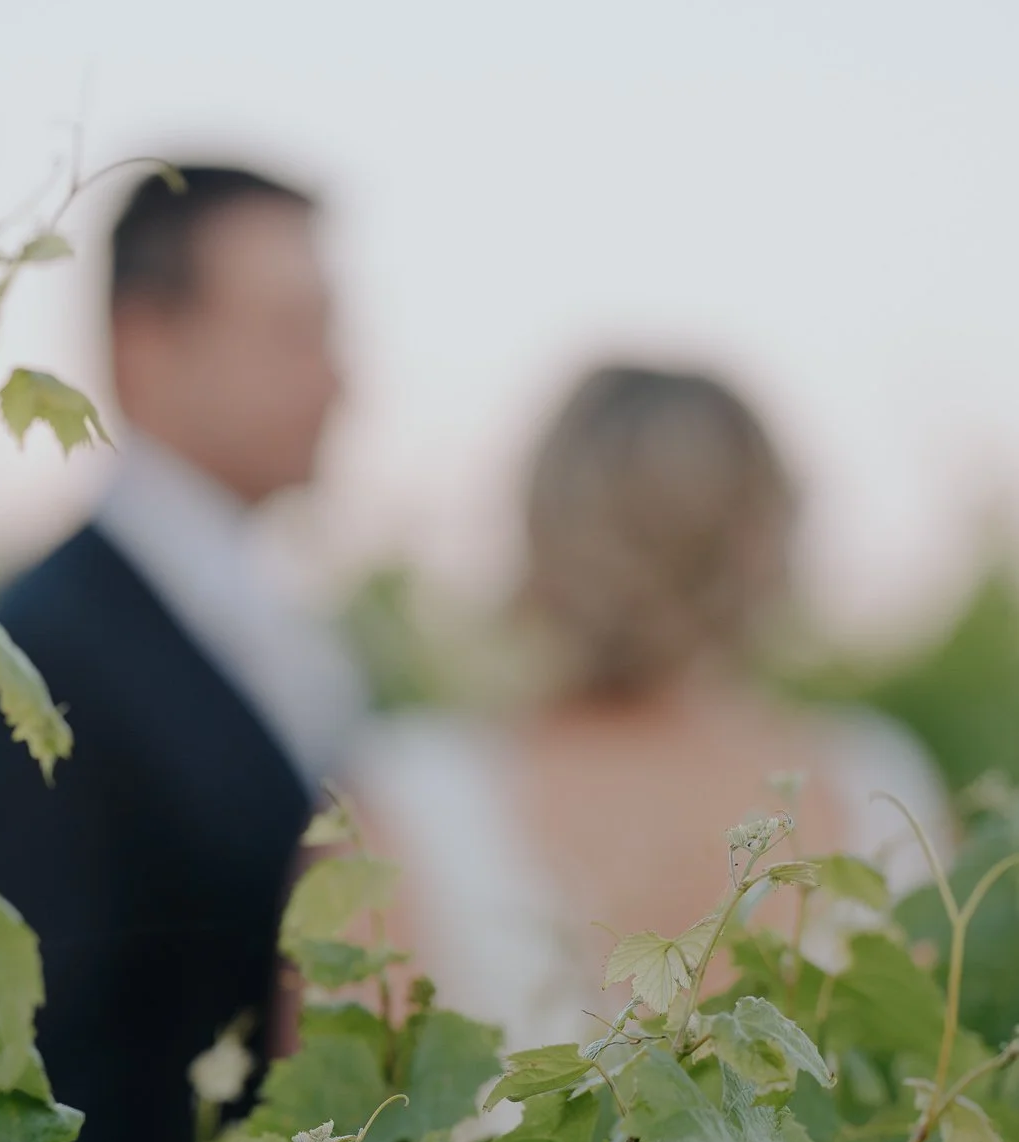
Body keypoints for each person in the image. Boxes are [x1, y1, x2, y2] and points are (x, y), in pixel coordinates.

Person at [0, 165, 362, 1142]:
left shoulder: (280, 629)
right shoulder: (31, 660)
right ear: (146, 342)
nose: (341, 381)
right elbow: (17, 1099)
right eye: (296, 333)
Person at [351, 364, 952, 1051]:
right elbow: (924, 1088)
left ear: (543, 526)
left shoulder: (415, 793)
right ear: (764, 535)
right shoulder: (878, 783)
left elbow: (335, 1130)